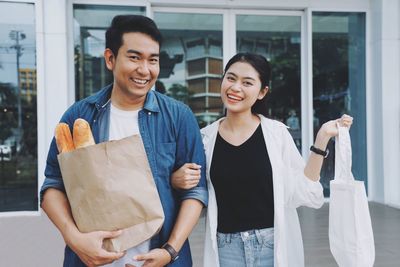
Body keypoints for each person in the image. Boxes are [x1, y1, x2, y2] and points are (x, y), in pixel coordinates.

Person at [40, 15, 208, 267]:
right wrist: (74, 238)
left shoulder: (178, 116)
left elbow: (196, 191)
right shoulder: (79, 116)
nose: (145, 69)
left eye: (153, 60)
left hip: (160, 258)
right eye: (134, 57)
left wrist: (170, 251)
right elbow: (52, 186)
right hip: (91, 260)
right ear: (110, 58)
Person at [171, 52, 353, 267]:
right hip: (225, 247)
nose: (235, 88)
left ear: (262, 92)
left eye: (247, 82)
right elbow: (194, 195)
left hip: (271, 244)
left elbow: (304, 192)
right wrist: (175, 180)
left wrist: (321, 139)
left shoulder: (276, 134)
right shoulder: (204, 139)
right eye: (230, 78)